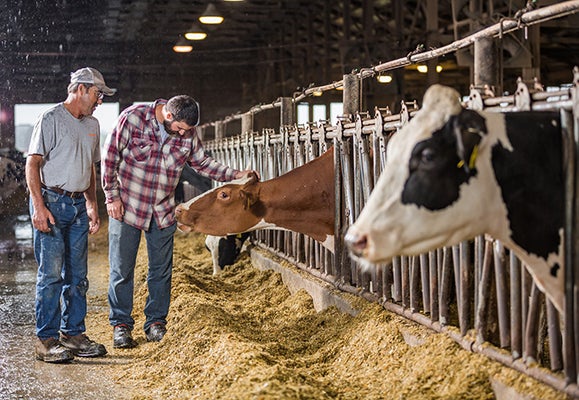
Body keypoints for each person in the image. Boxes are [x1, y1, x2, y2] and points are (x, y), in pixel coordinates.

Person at [101, 95, 256, 348]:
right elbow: (110, 157)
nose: (184, 133)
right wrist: (111, 197)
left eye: (188, 130)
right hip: (127, 206)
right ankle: (121, 325)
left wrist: (236, 174)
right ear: (168, 115)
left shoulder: (188, 133)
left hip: (162, 209)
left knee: (161, 270)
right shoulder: (133, 118)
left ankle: (155, 323)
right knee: (121, 268)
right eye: (180, 128)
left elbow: (202, 163)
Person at [26, 67, 116, 363]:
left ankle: (73, 334)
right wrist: (39, 206)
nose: (100, 100)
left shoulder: (92, 124)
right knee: (51, 275)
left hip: (78, 207)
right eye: (97, 93)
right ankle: (46, 340)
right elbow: (33, 164)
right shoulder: (50, 119)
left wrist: (92, 204)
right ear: (80, 89)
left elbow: (90, 167)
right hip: (51, 202)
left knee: (77, 277)